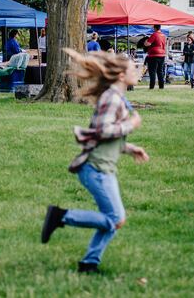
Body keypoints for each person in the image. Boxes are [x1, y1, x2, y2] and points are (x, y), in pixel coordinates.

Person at [40, 49, 149, 274]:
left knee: (113, 219)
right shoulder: (111, 98)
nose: (138, 71)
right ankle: (61, 216)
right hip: (96, 169)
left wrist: (129, 148)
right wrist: (131, 125)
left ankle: (89, 263)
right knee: (115, 219)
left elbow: (107, 137)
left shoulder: (116, 97)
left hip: (102, 167)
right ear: (121, 75)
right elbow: (103, 130)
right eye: (133, 68)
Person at [143, 24, 167, 89]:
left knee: (152, 71)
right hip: (162, 54)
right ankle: (161, 87)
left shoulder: (154, 34)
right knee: (160, 71)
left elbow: (148, 43)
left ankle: (151, 87)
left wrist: (145, 42)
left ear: (155, 28)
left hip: (154, 55)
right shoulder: (164, 35)